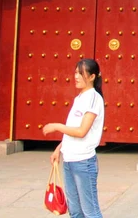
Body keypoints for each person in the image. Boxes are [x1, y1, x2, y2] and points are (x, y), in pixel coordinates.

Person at [43, 59, 105, 218]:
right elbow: (72, 130)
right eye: (76, 72)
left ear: (91, 77)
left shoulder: (93, 99)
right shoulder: (79, 98)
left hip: (83, 162)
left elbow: (81, 131)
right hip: (69, 161)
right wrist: (59, 149)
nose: (76, 76)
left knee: (90, 212)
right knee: (75, 211)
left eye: (80, 73)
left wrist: (56, 126)